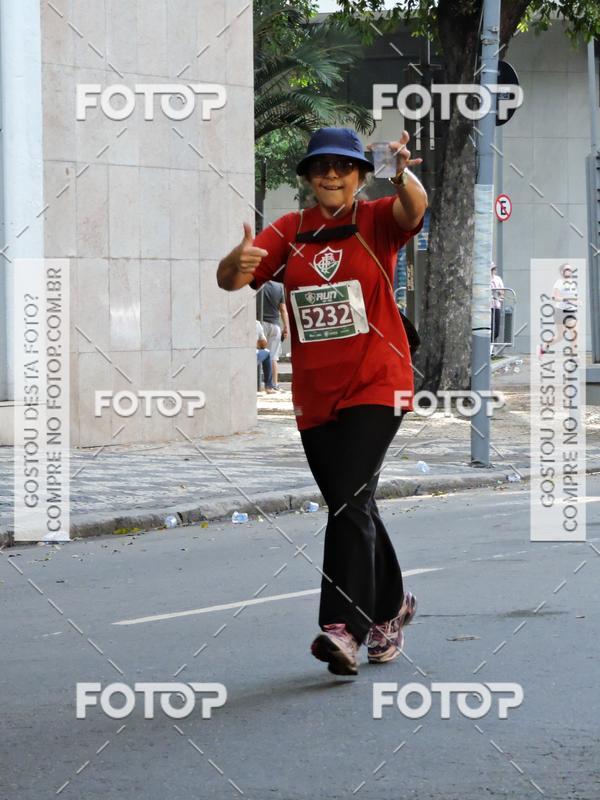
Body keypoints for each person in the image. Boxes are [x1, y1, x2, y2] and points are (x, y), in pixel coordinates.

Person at [217, 127, 427, 676]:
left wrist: (401, 175)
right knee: (351, 501)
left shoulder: (376, 220)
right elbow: (229, 279)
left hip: (381, 383)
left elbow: (414, 208)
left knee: (348, 501)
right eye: (320, 167)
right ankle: (390, 610)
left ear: (360, 175)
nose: (330, 175)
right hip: (317, 396)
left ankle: (343, 628)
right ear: (308, 179)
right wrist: (236, 263)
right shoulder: (291, 231)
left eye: (342, 166)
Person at [540, 262, 578, 355]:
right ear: (562, 272)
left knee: (574, 334)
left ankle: (574, 355)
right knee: (560, 337)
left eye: (570, 269)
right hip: (560, 312)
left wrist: (577, 302)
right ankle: (544, 346)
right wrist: (567, 300)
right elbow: (553, 297)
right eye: (566, 269)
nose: (569, 271)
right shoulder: (559, 283)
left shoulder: (573, 284)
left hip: (571, 312)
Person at [259, 280, 289, 390]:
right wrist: (286, 327)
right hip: (275, 326)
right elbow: (283, 309)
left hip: (259, 324)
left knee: (256, 354)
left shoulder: (257, 284)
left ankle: (253, 383)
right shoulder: (278, 287)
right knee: (273, 357)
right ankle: (273, 385)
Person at [256, 320, 275, 393]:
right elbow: (263, 344)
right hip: (251, 355)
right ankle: (268, 386)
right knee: (267, 353)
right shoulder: (256, 323)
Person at [490, 263, 505, 354]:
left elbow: (502, 291)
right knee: (490, 328)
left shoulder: (498, 279)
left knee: (496, 331)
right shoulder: (485, 279)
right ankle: (490, 351)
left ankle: (491, 349)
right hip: (487, 307)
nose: (494, 270)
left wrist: (500, 294)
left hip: (496, 306)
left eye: (495, 269)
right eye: (493, 269)